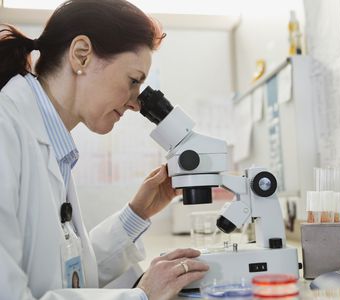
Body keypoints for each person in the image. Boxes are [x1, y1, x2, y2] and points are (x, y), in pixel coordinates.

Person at [0, 0, 209, 299]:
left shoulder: (53, 146)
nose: (136, 104)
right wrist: (142, 295)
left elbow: (67, 272)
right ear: (81, 55)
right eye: (133, 80)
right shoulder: (6, 130)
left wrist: (138, 213)